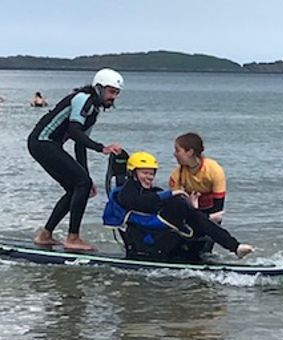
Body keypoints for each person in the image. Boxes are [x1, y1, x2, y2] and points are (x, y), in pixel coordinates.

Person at [28, 68, 124, 250]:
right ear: (99, 88)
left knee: (78, 187)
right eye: (112, 92)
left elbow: (79, 144)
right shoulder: (82, 99)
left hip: (47, 145)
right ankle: (72, 238)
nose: (114, 97)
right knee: (81, 184)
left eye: (117, 93)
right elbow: (74, 131)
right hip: (42, 142)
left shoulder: (93, 110)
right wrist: (101, 148)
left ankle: (45, 235)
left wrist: (86, 177)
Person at [104, 151, 254, 259]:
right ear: (133, 173)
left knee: (193, 215)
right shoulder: (126, 191)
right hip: (150, 224)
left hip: (162, 221)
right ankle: (231, 243)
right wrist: (171, 194)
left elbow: (154, 202)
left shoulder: (152, 190)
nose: (149, 177)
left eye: (152, 173)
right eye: (145, 173)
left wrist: (190, 206)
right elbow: (137, 203)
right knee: (181, 204)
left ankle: (235, 246)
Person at [169, 132, 226, 217]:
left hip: (212, 212)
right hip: (189, 212)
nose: (174, 154)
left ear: (190, 152)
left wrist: (206, 219)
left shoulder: (214, 170)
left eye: (177, 150)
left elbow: (218, 207)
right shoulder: (177, 174)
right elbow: (175, 205)